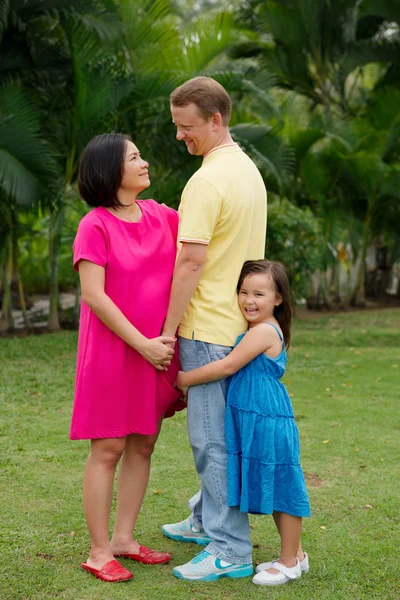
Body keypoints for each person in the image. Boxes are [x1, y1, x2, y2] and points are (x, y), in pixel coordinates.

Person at [161, 76, 267, 581]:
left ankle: (230, 549)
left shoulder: (205, 181)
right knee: (222, 434)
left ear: (215, 120)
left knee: (211, 441)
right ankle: (205, 520)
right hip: (238, 326)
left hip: (208, 328)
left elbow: (191, 262)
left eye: (187, 127)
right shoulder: (247, 170)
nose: (181, 136)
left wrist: (166, 328)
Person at [70, 132, 182, 582]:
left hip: (156, 351)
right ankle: (99, 552)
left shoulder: (162, 216)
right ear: (109, 170)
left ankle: (125, 540)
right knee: (109, 445)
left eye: (141, 154)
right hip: (117, 351)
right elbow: (93, 296)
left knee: (144, 441)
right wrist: (144, 343)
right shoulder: (94, 225)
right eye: (134, 157)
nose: (144, 161)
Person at [176, 259, 311, 586]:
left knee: (283, 487)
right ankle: (296, 555)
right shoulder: (257, 328)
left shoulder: (264, 330)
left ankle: (290, 562)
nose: (249, 300)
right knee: (278, 484)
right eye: (243, 292)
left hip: (267, 419)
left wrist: (184, 379)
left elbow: (227, 366)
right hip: (257, 417)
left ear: (278, 299)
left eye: (259, 294)